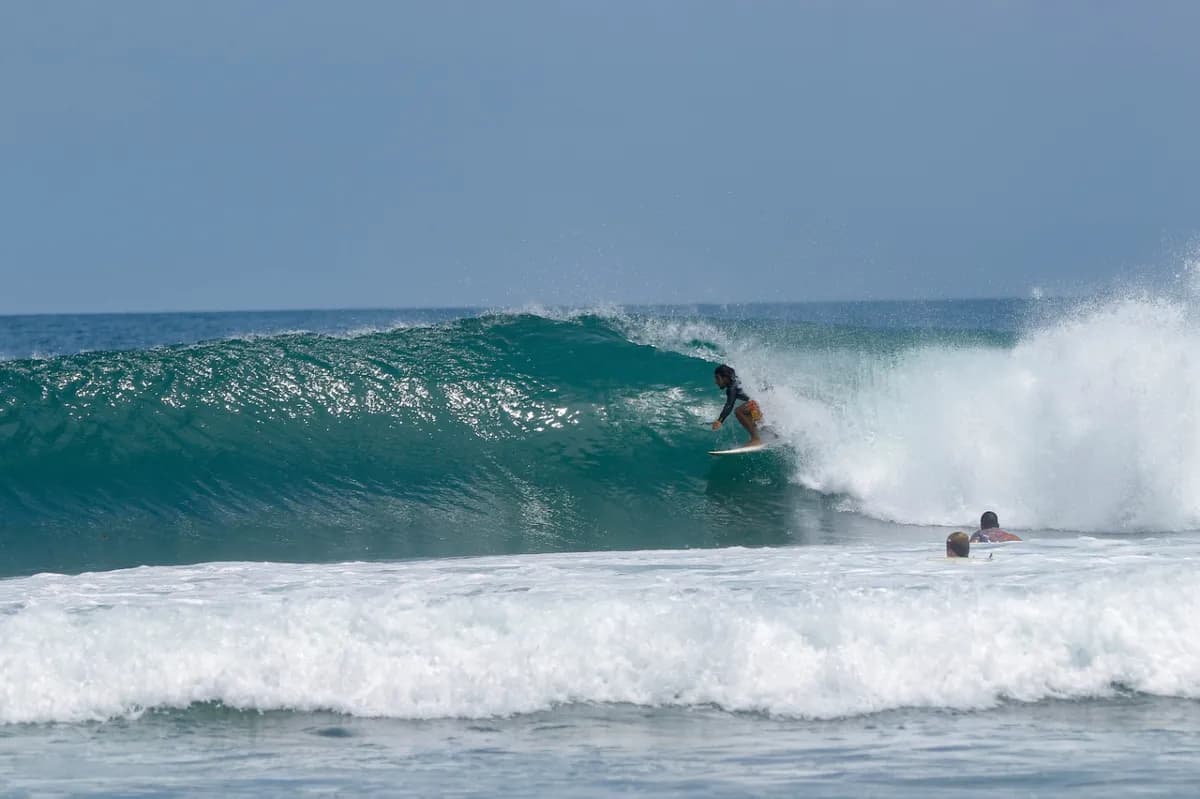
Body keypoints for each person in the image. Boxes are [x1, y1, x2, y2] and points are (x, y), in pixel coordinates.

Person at [712, 364, 763, 446]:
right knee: (751, 412)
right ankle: (774, 434)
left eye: (717, 378)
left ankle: (756, 439)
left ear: (725, 378)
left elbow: (729, 405)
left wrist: (719, 421)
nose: (716, 382)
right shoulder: (738, 379)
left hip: (762, 401)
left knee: (739, 411)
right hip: (769, 399)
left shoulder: (732, 387)